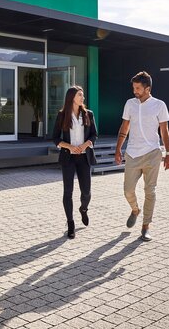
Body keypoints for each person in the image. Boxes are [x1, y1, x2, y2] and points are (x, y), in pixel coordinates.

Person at [115, 71, 169, 242]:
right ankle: (135, 210)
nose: (135, 91)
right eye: (134, 88)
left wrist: (168, 154)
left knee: (150, 191)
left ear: (147, 88)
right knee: (128, 190)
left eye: (138, 88)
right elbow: (124, 127)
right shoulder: (130, 104)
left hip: (152, 153)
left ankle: (146, 226)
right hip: (132, 153)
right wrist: (118, 149)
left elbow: (164, 131)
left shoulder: (159, 105)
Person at [52, 86, 98, 239]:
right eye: (80, 95)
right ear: (72, 97)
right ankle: (70, 222)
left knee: (86, 192)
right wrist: (70, 146)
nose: (82, 97)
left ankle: (83, 209)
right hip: (69, 157)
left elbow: (94, 135)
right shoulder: (62, 115)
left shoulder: (88, 114)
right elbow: (55, 138)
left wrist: (84, 145)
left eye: (83, 95)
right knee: (68, 192)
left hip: (84, 157)